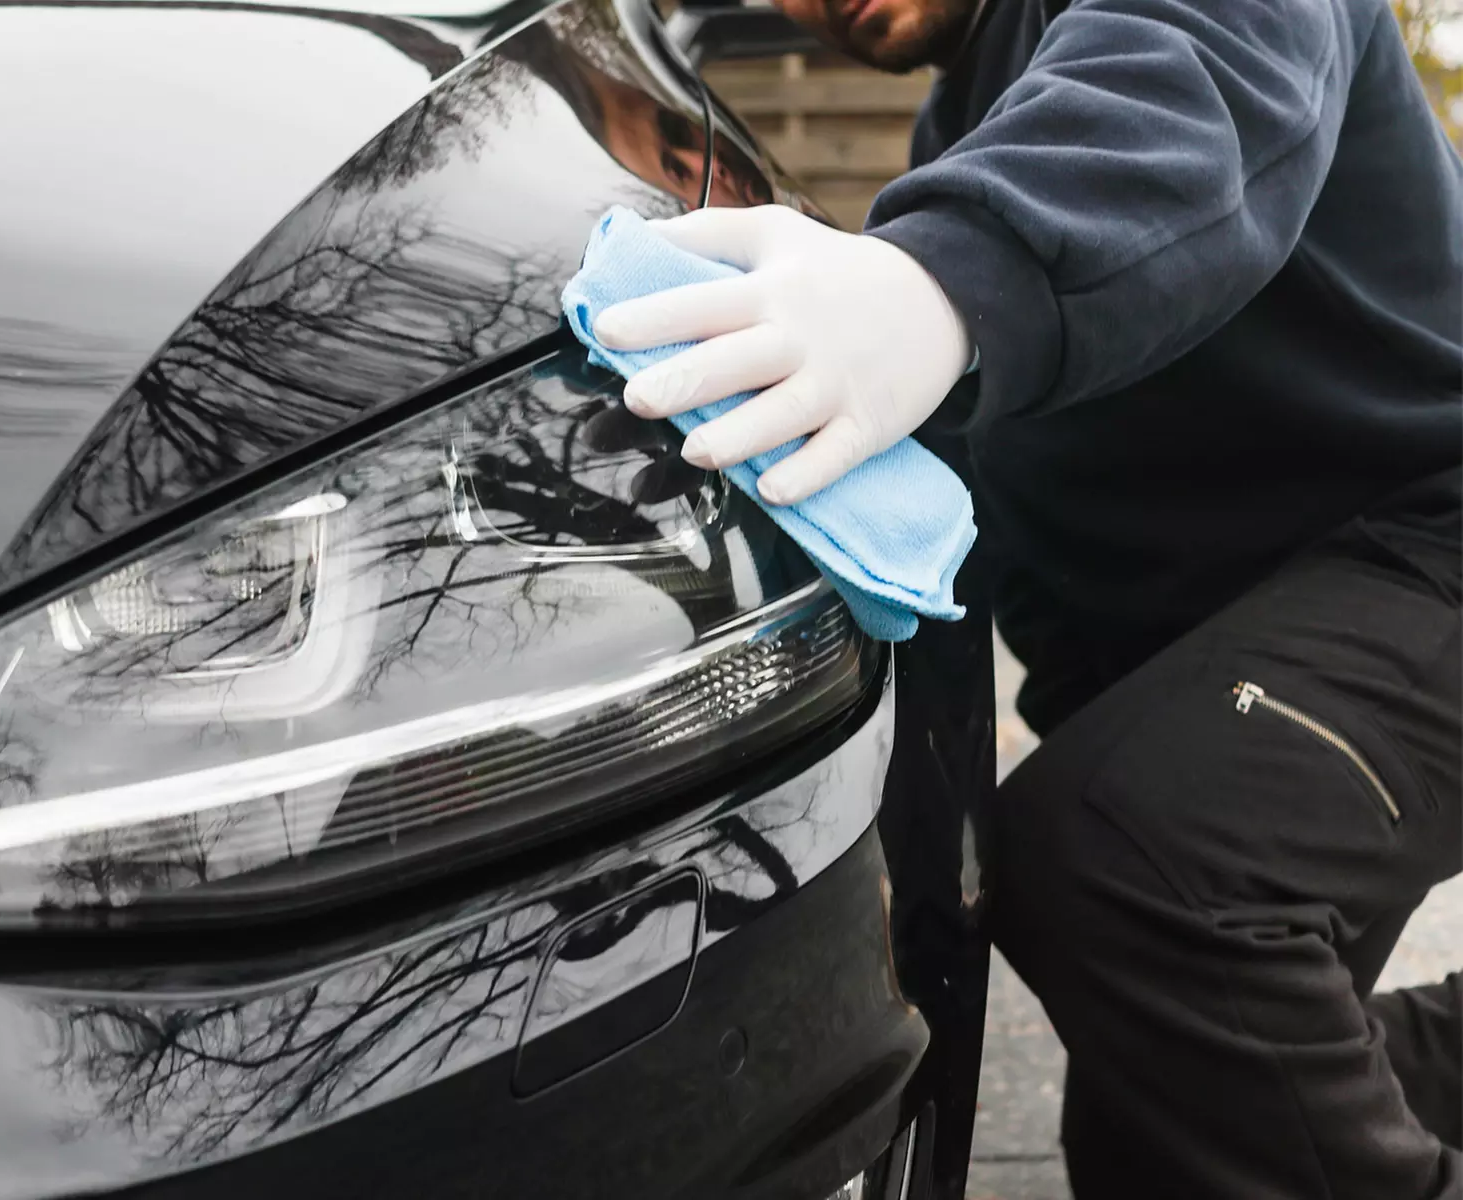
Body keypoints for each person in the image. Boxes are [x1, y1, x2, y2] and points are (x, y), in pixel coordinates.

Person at [589, 0, 1463, 1194]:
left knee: (1125, 865)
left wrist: (941, 282)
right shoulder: (961, 142)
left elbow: (1191, 73)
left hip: (1431, 548)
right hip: (1263, 650)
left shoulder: (1090, 87)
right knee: (1176, 1129)